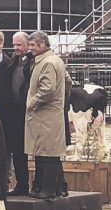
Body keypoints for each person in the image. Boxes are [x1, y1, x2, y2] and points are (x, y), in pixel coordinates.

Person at [25, 31, 67, 199]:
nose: (30, 49)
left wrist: (32, 103)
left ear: (43, 44)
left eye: (33, 45)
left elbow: (47, 89)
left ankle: (47, 189)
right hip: (50, 114)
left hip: (45, 115)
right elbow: (68, 82)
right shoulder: (54, 60)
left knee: (47, 153)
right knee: (47, 152)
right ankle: (53, 188)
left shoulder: (47, 63)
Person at [6, 32, 33, 196]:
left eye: (19, 45)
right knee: (18, 150)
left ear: (27, 45)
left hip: (30, 111)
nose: (15, 48)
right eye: (14, 45)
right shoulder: (13, 61)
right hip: (15, 113)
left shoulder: (33, 61)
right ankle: (22, 184)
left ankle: (38, 185)